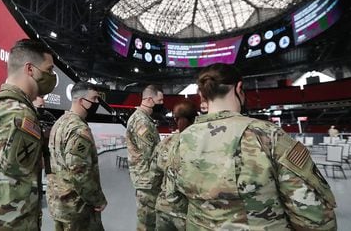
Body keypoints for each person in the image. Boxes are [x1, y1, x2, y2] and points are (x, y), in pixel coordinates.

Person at [167, 63, 337, 230]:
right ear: (239, 88)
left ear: (202, 96)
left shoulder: (179, 142)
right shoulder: (269, 135)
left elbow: (173, 206)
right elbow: (313, 215)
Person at [0, 39, 56, 230]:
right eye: (49, 70)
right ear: (30, 69)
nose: (52, 76)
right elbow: (9, 204)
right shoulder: (17, 115)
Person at [46, 81, 107, 230]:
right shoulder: (79, 130)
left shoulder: (59, 123)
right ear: (81, 101)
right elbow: (79, 171)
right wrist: (97, 199)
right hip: (77, 207)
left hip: (58, 202)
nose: (97, 102)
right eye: (94, 99)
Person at [150, 100, 196, 231]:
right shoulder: (200, 144)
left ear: (175, 119)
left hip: (164, 209)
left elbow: (153, 176)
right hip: (188, 212)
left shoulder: (165, 143)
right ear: (195, 118)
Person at [126, 85, 164, 231]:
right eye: (159, 100)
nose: (162, 104)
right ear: (149, 99)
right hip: (148, 179)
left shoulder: (143, 118)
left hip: (146, 178)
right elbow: (150, 153)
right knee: (147, 223)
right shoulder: (142, 121)